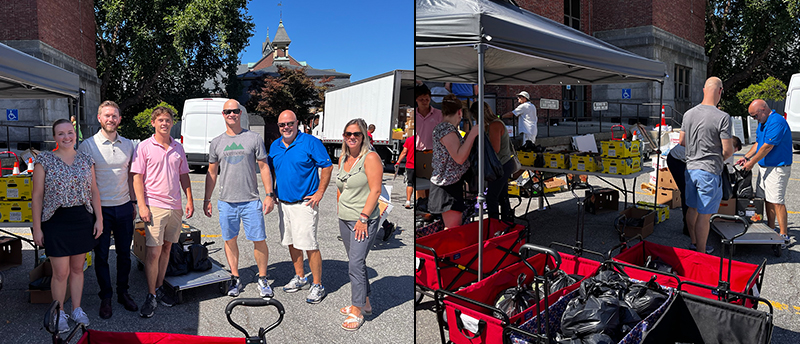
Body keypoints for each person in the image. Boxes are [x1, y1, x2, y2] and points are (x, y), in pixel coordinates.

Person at [32, 119, 102, 332]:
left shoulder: (85, 159)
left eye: (70, 132)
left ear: (75, 135)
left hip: (81, 218)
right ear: (55, 137)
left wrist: (99, 218)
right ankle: (59, 312)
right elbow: (37, 196)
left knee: (77, 269)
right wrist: (37, 227)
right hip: (56, 220)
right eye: (61, 133)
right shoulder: (44, 160)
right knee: (60, 272)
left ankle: (77, 309)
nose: (66, 137)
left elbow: (94, 191)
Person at [203, 99, 276, 298]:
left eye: (235, 111)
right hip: (226, 202)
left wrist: (269, 195)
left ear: (240, 113)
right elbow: (211, 172)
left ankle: (262, 278)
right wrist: (206, 199)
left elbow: (263, 167)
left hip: (251, 200)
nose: (231, 114)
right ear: (223, 114)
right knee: (229, 240)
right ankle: (235, 277)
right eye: (227, 112)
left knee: (259, 240)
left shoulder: (253, 138)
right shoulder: (217, 142)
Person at [131, 106, 195, 318]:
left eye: (168, 120)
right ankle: (150, 295)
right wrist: (142, 205)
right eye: (161, 120)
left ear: (172, 123)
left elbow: (184, 175)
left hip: (175, 206)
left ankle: (159, 287)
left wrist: (189, 200)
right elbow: (137, 178)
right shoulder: (144, 147)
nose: (165, 123)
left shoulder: (178, 147)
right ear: (153, 123)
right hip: (154, 205)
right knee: (153, 252)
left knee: (167, 248)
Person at [77, 101, 138, 319]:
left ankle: (123, 292)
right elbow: (82, 180)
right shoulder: (87, 146)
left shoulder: (129, 145)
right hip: (98, 210)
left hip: (123, 207)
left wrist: (133, 203)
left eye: (114, 116)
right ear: (99, 118)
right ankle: (106, 296)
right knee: (101, 255)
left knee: (124, 254)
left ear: (119, 119)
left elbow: (132, 177)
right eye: (107, 115)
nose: (110, 119)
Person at [268, 110, 333, 304]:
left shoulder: (310, 142)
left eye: (289, 123)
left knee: (309, 244)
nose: (286, 127)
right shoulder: (275, 146)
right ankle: (300, 277)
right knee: (292, 241)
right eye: (282, 125)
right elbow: (270, 170)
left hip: (304, 204)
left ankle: (317, 284)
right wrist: (271, 193)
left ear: (297, 123)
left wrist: (320, 192)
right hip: (284, 203)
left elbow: (327, 166)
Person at [335, 118, 382, 331]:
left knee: (355, 263)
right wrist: (339, 207)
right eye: (348, 134)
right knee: (357, 262)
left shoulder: (370, 158)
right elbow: (341, 186)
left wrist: (363, 218)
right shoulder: (343, 157)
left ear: (363, 136)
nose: (351, 137)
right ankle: (366, 302)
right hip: (345, 218)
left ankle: (357, 308)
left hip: (363, 220)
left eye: (356, 134)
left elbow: (376, 190)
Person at [679, 77, 734, 254]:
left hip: (690, 168)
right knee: (704, 215)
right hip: (709, 171)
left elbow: (681, 141)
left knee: (692, 208)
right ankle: (701, 253)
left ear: (704, 90)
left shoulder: (688, 113)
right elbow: (728, 150)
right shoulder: (722, 117)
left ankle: (694, 242)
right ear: (720, 91)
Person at [737, 99, 795, 248]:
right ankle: (771, 227)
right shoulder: (763, 123)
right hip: (766, 167)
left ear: (763, 110)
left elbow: (767, 147)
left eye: (755, 116)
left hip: (777, 168)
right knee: (766, 199)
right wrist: (746, 157)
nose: (754, 119)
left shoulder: (776, 122)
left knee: (777, 201)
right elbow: (758, 144)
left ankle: (783, 235)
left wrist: (752, 163)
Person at [669, 136, 742, 237]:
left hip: (691, 161)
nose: (732, 153)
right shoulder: (716, 145)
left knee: (696, 197)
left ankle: (698, 226)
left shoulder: (719, 144)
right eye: (734, 150)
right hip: (677, 161)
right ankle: (689, 229)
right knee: (688, 196)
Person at [430, 94, 480, 229]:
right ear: (460, 112)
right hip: (447, 186)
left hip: (448, 184)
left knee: (452, 228)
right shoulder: (446, 130)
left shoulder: (444, 128)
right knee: (452, 230)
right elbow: (459, 158)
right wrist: (474, 133)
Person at [472, 101, 514, 221]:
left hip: (502, 165)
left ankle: (494, 224)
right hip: (503, 164)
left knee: (492, 197)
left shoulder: (494, 125)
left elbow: (495, 149)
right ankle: (507, 222)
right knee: (502, 196)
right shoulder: (491, 124)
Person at [415, 84, 442, 200]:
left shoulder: (438, 114)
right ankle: (421, 205)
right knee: (419, 183)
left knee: (433, 182)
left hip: (433, 152)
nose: (425, 102)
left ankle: (432, 205)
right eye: (421, 99)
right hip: (417, 152)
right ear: (416, 100)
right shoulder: (413, 115)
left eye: (427, 99)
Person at [395, 136, 415, 209]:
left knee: (410, 183)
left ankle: (408, 201)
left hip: (410, 165)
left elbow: (404, 152)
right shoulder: (423, 138)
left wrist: (398, 162)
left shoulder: (409, 139)